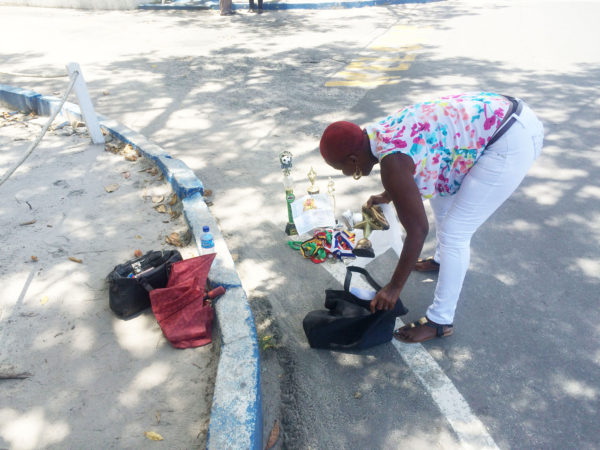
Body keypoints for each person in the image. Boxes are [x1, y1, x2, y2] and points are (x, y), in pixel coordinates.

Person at [319, 92, 544, 343]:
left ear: (353, 159)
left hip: (508, 139)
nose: (346, 173)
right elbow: (412, 161)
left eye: (342, 169)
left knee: (454, 232)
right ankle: (441, 260)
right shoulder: (378, 135)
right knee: (441, 201)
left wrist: (393, 288)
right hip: (501, 117)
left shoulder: (392, 163)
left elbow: (417, 231)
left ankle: (440, 320)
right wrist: (390, 194)